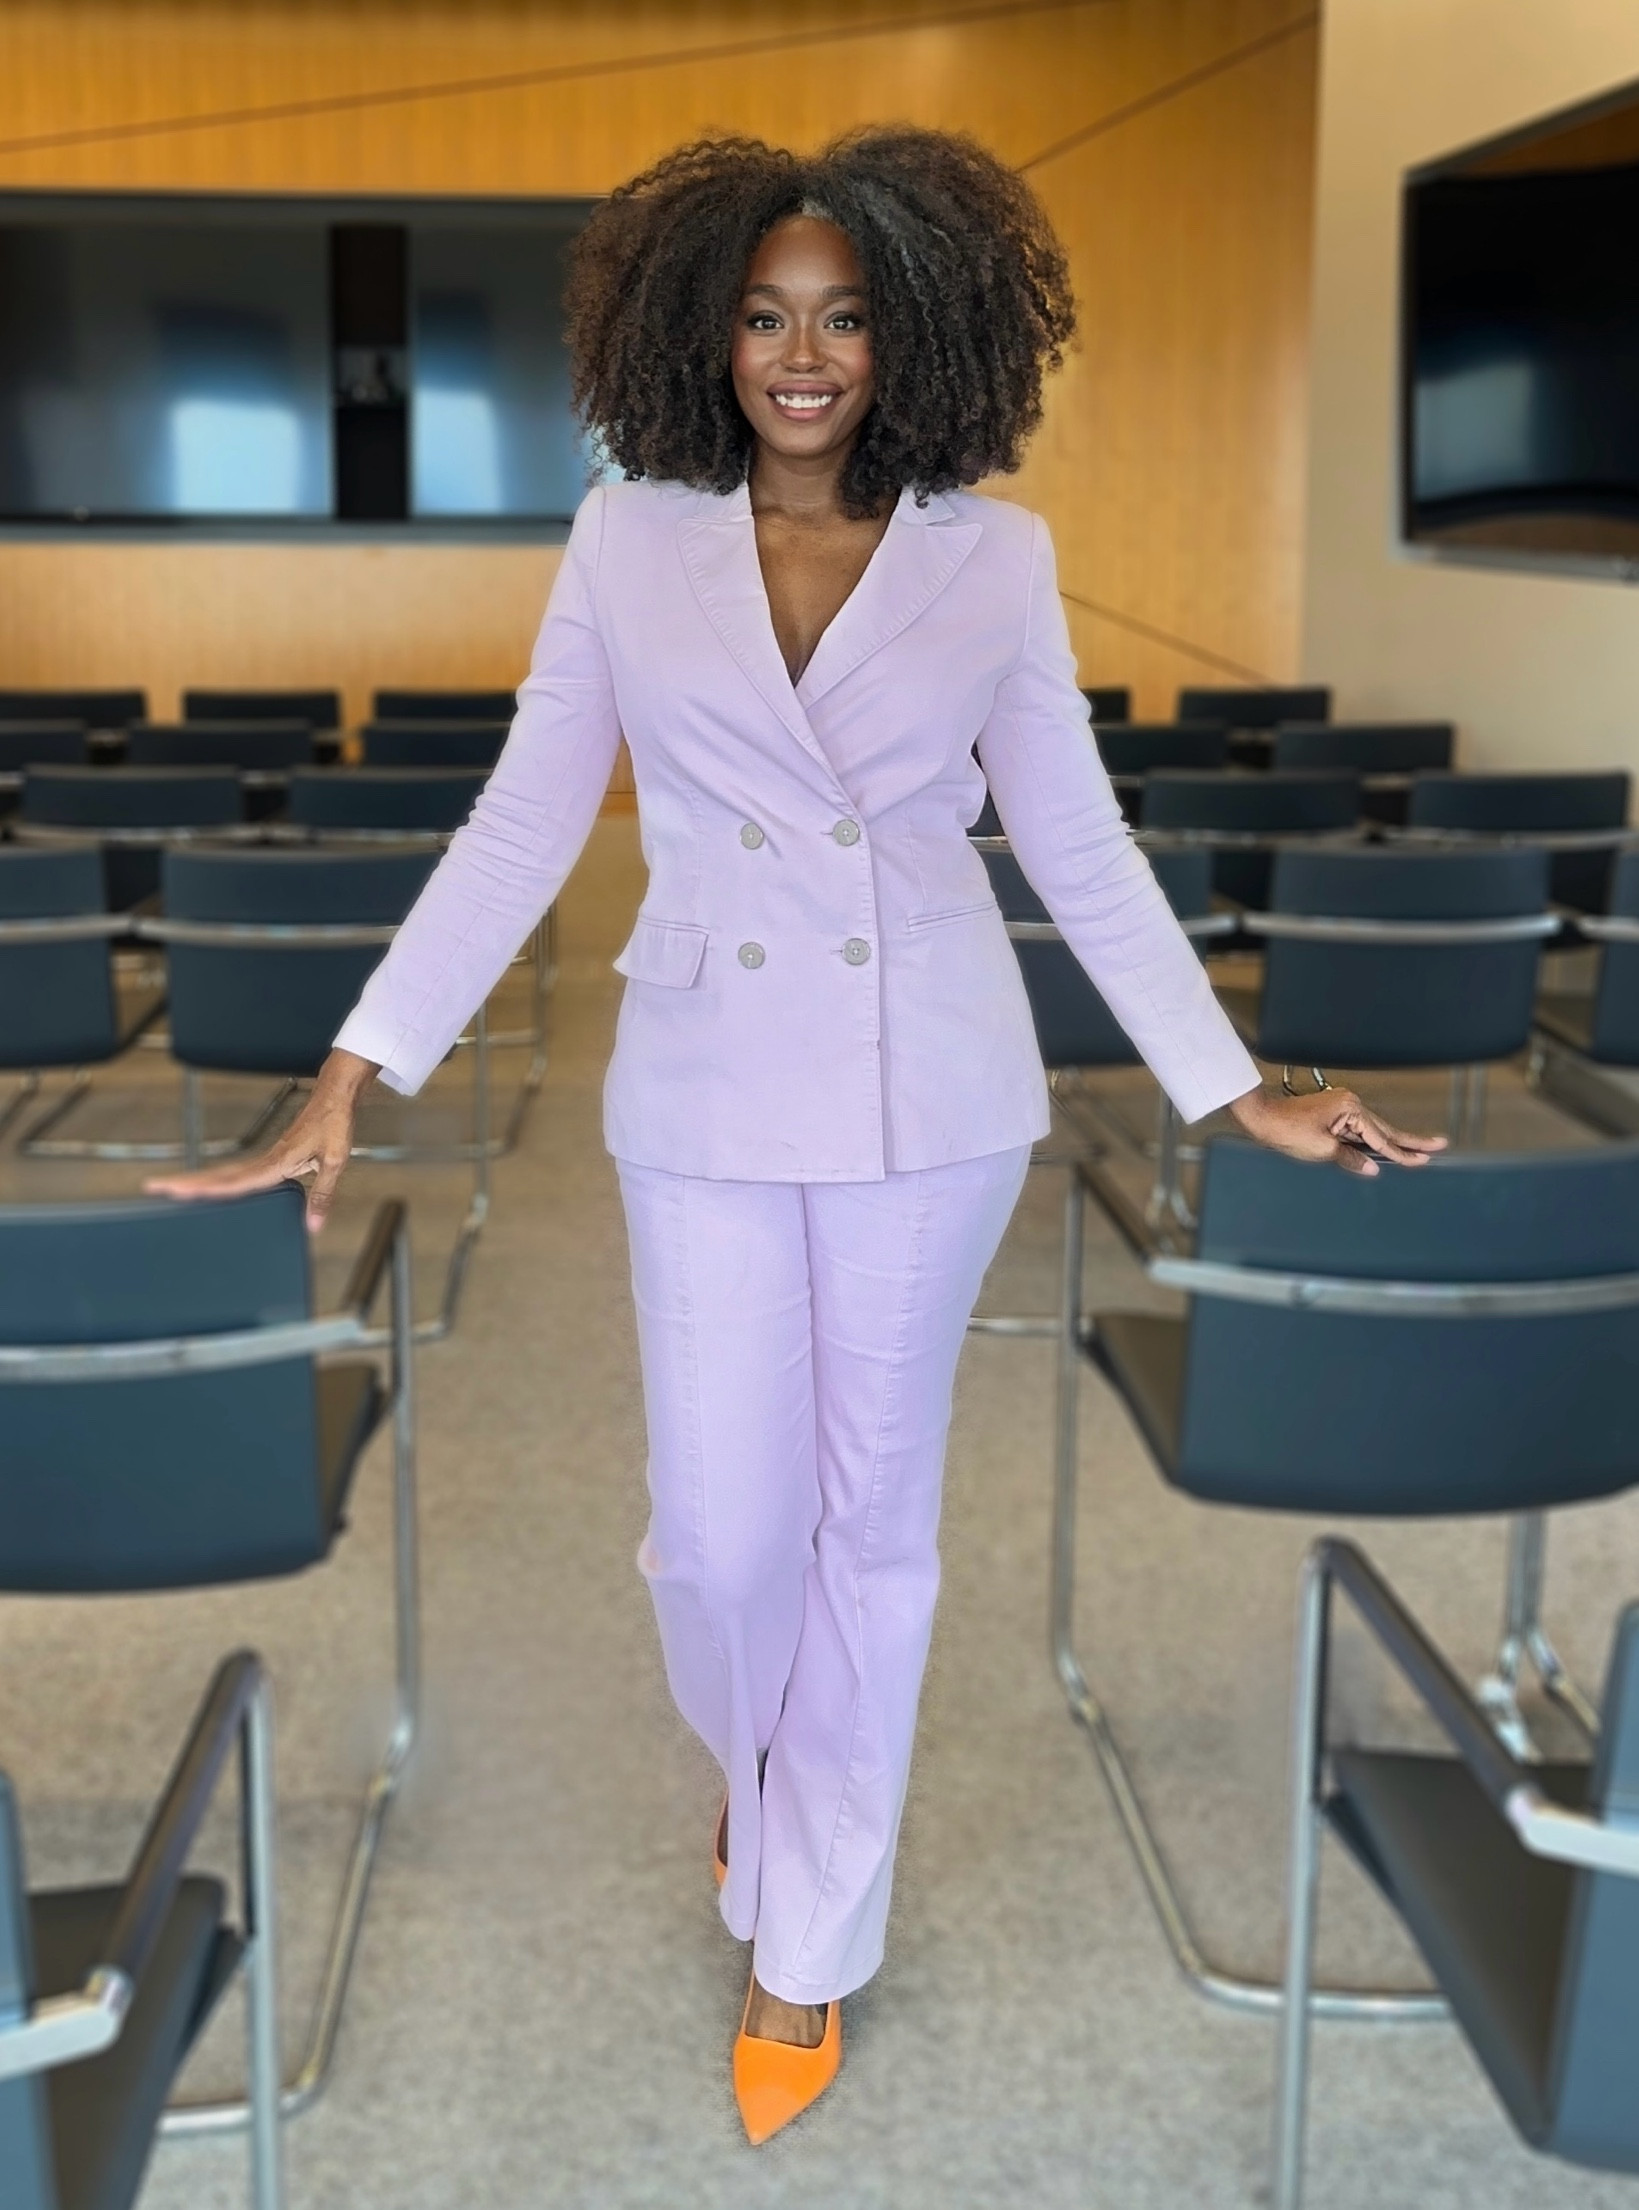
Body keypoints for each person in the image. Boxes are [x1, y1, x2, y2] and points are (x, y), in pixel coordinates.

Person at [150, 128, 1444, 2143]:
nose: (802, 353)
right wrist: (352, 1066)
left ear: (911, 332)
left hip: (932, 1097)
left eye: (842, 315)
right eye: (763, 315)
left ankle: (805, 1936)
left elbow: (1079, 848)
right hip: (703, 1094)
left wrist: (1227, 1081)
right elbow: (518, 820)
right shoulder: (624, 539)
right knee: (722, 1536)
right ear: (702, 334)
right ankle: (761, 1771)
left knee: (877, 1535)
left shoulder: (989, 559)